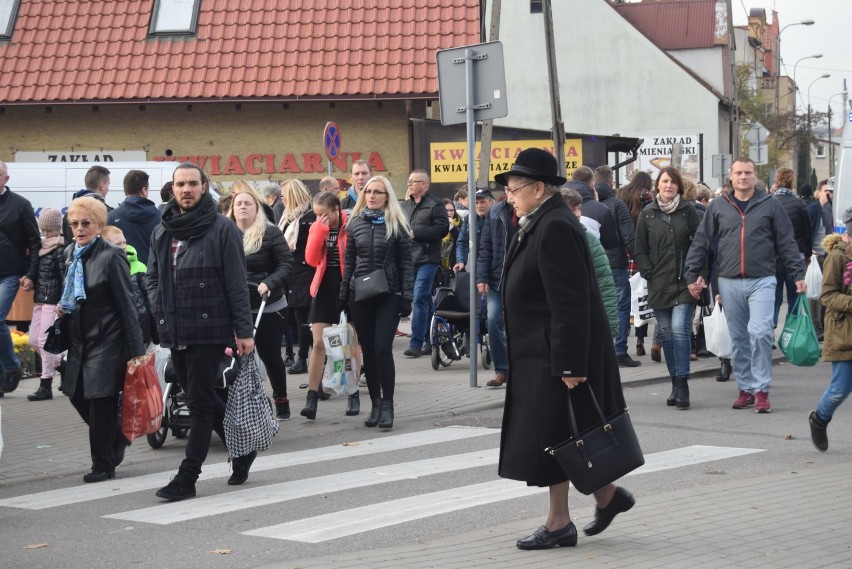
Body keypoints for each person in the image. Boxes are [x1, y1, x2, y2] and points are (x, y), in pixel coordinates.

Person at [496, 148, 634, 550]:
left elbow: (569, 301)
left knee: (556, 436)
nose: (509, 195)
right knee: (557, 436)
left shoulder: (554, 225)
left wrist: (570, 363)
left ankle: (566, 520)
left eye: (515, 188)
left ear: (539, 188)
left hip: (555, 355)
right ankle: (602, 498)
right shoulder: (542, 219)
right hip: (541, 352)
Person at [148, 163, 256, 499]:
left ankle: (187, 477)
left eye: (193, 184)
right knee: (203, 397)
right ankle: (242, 450)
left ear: (204, 186)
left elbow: (236, 284)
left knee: (198, 403)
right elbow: (152, 278)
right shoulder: (162, 230)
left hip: (210, 328)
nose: (186, 190)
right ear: (173, 188)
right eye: (180, 184)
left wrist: (244, 330)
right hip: (174, 328)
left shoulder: (222, 229)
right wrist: (159, 305)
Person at [685, 157, 805, 413]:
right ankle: (746, 389)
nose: (743, 177)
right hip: (728, 281)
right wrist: (691, 273)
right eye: (738, 173)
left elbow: (786, 241)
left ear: (755, 175)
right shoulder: (718, 205)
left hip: (762, 279)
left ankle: (762, 390)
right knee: (739, 338)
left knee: (760, 332)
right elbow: (702, 241)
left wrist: (798, 274)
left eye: (747, 173)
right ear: (731, 176)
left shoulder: (770, 204)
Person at [58, 196, 146, 482]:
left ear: (99, 225)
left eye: (86, 223)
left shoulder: (111, 256)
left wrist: (136, 349)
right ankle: (117, 435)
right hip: (79, 339)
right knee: (75, 393)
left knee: (101, 401)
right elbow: (71, 291)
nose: (79, 228)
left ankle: (102, 464)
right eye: (75, 223)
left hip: (108, 339)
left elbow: (127, 304)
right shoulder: (70, 253)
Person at [339, 176, 414, 429]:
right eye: (368, 192)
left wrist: (407, 296)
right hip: (360, 294)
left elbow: (406, 263)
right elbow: (349, 263)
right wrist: (342, 295)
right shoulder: (355, 223)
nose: (371, 196)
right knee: (368, 351)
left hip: (389, 294)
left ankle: (389, 405)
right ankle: (375, 404)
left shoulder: (397, 224)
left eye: (377, 192)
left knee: (382, 348)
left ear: (387, 196)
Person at [635, 167, 703, 409]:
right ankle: (674, 381)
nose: (668, 186)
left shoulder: (689, 211)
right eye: (664, 181)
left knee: (679, 330)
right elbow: (640, 248)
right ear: (657, 185)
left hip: (685, 283)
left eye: (673, 182)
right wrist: (648, 273)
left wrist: (699, 275)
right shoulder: (648, 213)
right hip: (659, 284)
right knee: (665, 334)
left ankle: (683, 384)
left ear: (679, 187)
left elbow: (701, 245)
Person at [228, 181, 294, 420]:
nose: (243, 207)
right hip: (235, 306)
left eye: (248, 203)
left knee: (270, 355)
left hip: (268, 304)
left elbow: (286, 264)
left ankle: (281, 398)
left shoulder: (270, 232)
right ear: (232, 208)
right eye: (239, 204)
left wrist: (271, 282)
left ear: (257, 208)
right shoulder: (226, 232)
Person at [301, 191, 359, 419]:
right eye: (316, 215)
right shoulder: (318, 227)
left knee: (350, 344)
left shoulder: (352, 224)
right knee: (318, 344)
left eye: (324, 214)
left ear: (337, 209)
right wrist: (319, 231)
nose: (320, 218)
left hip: (349, 285)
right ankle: (312, 397)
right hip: (324, 286)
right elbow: (312, 260)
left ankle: (352, 393)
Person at [809, 211, 852, 452]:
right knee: (839, 389)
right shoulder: (838, 257)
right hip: (844, 332)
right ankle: (820, 418)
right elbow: (827, 295)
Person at [0, 161, 41, 395]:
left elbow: (35, 241)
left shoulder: (20, 205)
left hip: (10, 273)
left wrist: (30, 273)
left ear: (6, 178)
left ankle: (11, 366)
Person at [594, 165, 637, 371]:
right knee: (620, 306)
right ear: (611, 182)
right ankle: (619, 349)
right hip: (614, 262)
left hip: (592, 263)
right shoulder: (616, 204)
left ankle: (599, 349)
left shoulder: (586, 204)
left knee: (596, 306)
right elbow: (628, 235)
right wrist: (643, 263)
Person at [401, 170, 449, 357]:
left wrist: (417, 232)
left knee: (420, 296)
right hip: (408, 258)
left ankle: (416, 343)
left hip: (428, 257)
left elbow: (442, 229)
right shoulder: (404, 206)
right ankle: (431, 340)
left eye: (413, 181)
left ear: (425, 185)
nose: (409, 184)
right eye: (409, 181)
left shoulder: (435, 204)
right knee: (425, 300)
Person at [561, 188, 618, 337]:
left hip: (585, 324)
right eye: (572, 209)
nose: (578, 214)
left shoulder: (590, 242)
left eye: (579, 208)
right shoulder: (544, 239)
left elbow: (606, 287)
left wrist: (611, 329)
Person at [26, 208, 66, 402]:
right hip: (40, 300)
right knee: (33, 340)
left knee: (44, 343)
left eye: (48, 228)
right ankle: (63, 366)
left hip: (52, 302)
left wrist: (62, 301)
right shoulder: (42, 248)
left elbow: (64, 276)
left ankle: (45, 384)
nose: (46, 231)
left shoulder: (60, 249)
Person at [477, 194, 516, 388]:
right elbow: (486, 247)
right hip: (497, 277)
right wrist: (482, 277)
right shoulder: (496, 211)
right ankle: (501, 370)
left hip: (521, 278)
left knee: (517, 325)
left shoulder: (532, 210)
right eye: (508, 189)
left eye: (514, 189)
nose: (511, 193)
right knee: (492, 320)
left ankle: (518, 370)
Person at [278, 179, 317, 375]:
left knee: (303, 315)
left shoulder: (308, 218)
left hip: (305, 272)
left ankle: (303, 357)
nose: (281, 198)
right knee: (294, 316)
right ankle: (305, 355)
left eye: (284, 194)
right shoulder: (287, 218)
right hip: (291, 273)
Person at [618, 172, 657, 359]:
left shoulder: (622, 195)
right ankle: (641, 341)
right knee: (642, 296)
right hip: (642, 249)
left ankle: (623, 341)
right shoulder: (646, 197)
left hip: (624, 252)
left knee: (626, 300)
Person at [772, 167, 812, 328]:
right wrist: (808, 254)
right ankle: (792, 331)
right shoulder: (799, 204)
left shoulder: (769, 203)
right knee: (795, 295)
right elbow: (807, 232)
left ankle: (770, 330)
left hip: (773, 257)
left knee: (774, 297)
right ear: (791, 182)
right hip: (796, 256)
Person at [101, 226, 156, 345]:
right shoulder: (100, 269)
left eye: (124, 242)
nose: (124, 246)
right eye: (118, 243)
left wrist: (155, 332)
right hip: (113, 331)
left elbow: (149, 300)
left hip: (140, 327)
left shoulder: (139, 267)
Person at [107, 170, 160, 265]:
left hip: (121, 274)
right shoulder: (161, 217)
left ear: (125, 190)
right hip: (153, 275)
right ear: (144, 190)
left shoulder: (111, 217)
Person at [62, 165, 112, 243]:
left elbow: (67, 243)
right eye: (108, 185)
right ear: (102, 185)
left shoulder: (69, 214)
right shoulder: (107, 213)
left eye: (85, 223)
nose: (79, 228)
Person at [454, 188, 494, 273]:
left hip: (494, 268)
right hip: (476, 268)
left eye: (482, 202)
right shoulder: (469, 219)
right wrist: (460, 261)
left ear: (491, 202)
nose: (479, 206)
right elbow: (462, 243)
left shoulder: (498, 219)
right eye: (476, 203)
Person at [441, 199, 462, 285]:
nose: (449, 213)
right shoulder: (437, 224)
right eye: (446, 210)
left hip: (453, 264)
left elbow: (461, 240)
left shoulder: (459, 223)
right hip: (440, 265)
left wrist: (452, 228)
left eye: (451, 210)